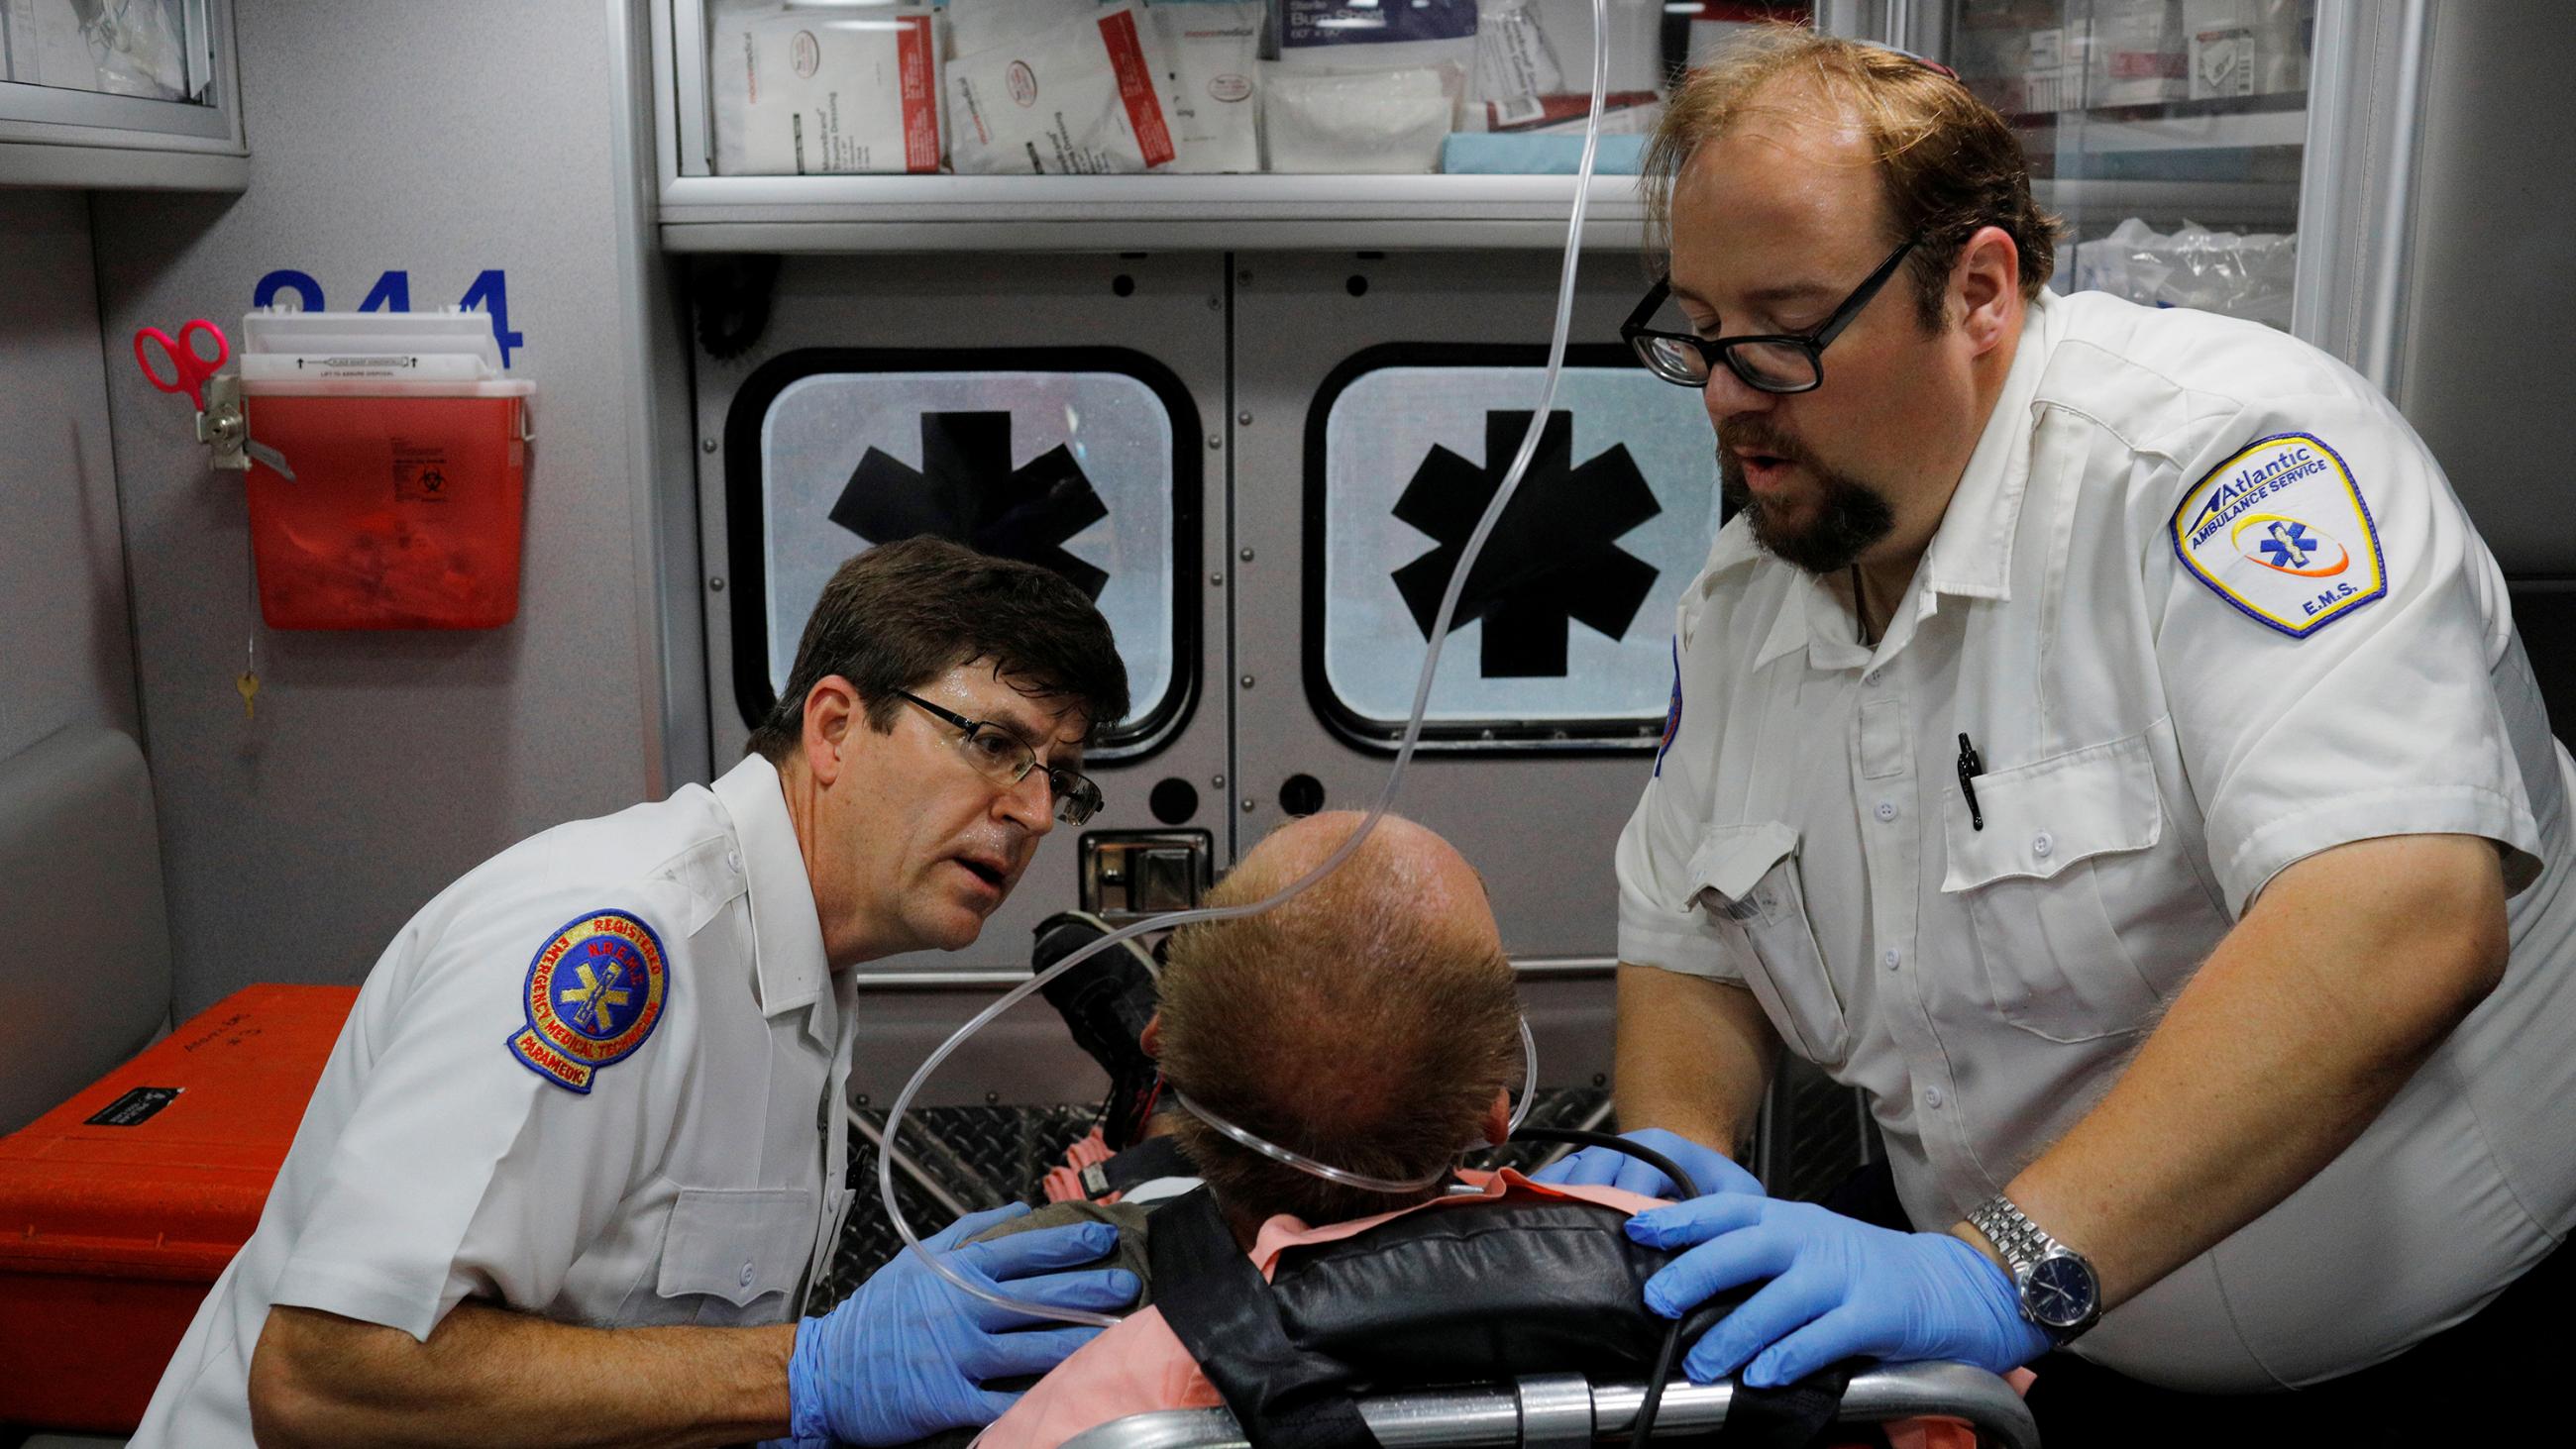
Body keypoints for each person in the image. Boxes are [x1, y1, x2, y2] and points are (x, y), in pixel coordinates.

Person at [1542, 25, 2576, 1441]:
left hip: (2456, 1344)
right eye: (1699, 332)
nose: (1726, 391)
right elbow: (1694, 937)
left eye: (1782, 329)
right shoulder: (1745, 608)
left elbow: (2404, 913)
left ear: (1977, 290)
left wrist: (1997, 1269)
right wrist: (1674, 1161)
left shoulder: (2218, 462)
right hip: (2046, 1353)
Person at [134, 537, 1143, 1449]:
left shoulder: (808, 960)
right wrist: (803, 1372)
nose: (1034, 809)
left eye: (1061, 775)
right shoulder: (622, 942)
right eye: (995, 744)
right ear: (834, 727)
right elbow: (322, 1375)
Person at [979, 810, 1673, 1449]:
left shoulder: (1018, 1296)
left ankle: (1153, 1108)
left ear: (1162, 1037)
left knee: (1145, 1176)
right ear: (1493, 1110)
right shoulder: (1662, 1273)